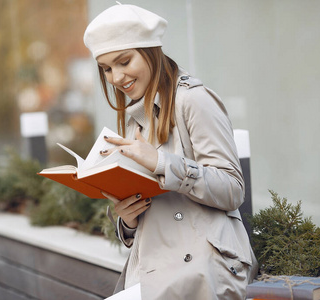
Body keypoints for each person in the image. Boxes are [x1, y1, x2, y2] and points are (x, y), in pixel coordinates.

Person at [83, 3, 258, 299]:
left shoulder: (194, 100)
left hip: (202, 273)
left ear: (150, 51)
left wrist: (162, 163)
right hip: (150, 275)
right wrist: (127, 219)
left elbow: (232, 189)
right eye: (107, 68)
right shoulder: (135, 119)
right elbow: (147, 214)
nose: (115, 77)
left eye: (124, 61)